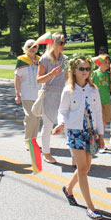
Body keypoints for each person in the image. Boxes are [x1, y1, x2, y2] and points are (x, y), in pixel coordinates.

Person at [52, 56, 105, 220]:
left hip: (91, 132)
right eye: (82, 69)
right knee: (82, 169)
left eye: (88, 69)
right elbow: (62, 111)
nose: (86, 72)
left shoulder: (93, 89)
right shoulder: (68, 90)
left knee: (86, 167)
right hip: (75, 132)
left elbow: (98, 113)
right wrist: (61, 124)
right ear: (73, 71)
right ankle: (90, 207)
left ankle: (68, 188)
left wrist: (101, 135)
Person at [36, 33, 68, 164]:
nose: (63, 45)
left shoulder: (65, 58)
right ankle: (46, 153)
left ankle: (74, 154)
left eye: (64, 42)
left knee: (66, 124)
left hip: (62, 93)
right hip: (49, 94)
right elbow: (38, 80)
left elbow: (67, 77)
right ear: (53, 43)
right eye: (61, 43)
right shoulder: (44, 59)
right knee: (48, 124)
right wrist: (51, 74)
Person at [14, 39, 41, 145]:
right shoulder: (21, 60)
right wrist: (17, 94)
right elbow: (17, 79)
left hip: (39, 94)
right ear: (25, 48)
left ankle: (33, 140)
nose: (32, 48)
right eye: (29, 46)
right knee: (30, 117)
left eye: (34, 46)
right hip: (26, 94)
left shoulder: (40, 60)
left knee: (37, 118)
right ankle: (28, 140)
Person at [92, 53, 111, 153]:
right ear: (100, 63)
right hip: (96, 102)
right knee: (98, 122)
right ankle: (98, 142)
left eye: (108, 63)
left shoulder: (109, 75)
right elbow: (90, 85)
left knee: (103, 122)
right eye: (105, 62)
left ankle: (100, 141)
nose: (107, 64)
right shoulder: (94, 73)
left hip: (106, 101)